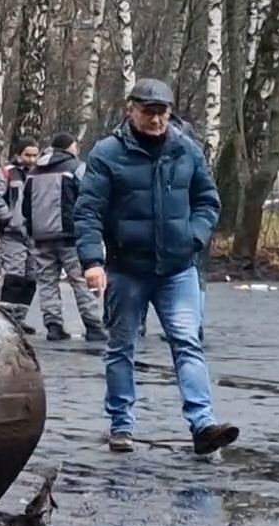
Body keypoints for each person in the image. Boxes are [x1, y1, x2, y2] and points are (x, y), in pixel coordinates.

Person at [74, 79, 239, 456]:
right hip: (127, 268)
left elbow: (207, 200)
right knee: (121, 348)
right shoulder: (107, 153)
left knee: (187, 342)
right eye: (148, 111)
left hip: (178, 268)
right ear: (129, 109)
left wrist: (193, 237)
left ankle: (203, 426)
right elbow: (87, 212)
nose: (156, 119)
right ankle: (121, 426)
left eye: (162, 111)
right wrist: (92, 262)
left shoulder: (186, 150)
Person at [25, 132, 106, 342]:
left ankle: (53, 326)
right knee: (80, 280)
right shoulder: (76, 168)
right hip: (70, 235)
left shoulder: (34, 171)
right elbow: (89, 196)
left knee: (47, 282)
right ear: (71, 147)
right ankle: (93, 325)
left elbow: (25, 205)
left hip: (40, 236)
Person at [0, 141, 39, 333]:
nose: (31, 159)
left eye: (34, 155)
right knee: (14, 274)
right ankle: (6, 319)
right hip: (13, 233)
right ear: (18, 154)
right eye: (27, 155)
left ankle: (19, 318)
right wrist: (9, 218)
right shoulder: (5, 173)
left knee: (31, 277)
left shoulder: (39, 173)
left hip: (35, 233)